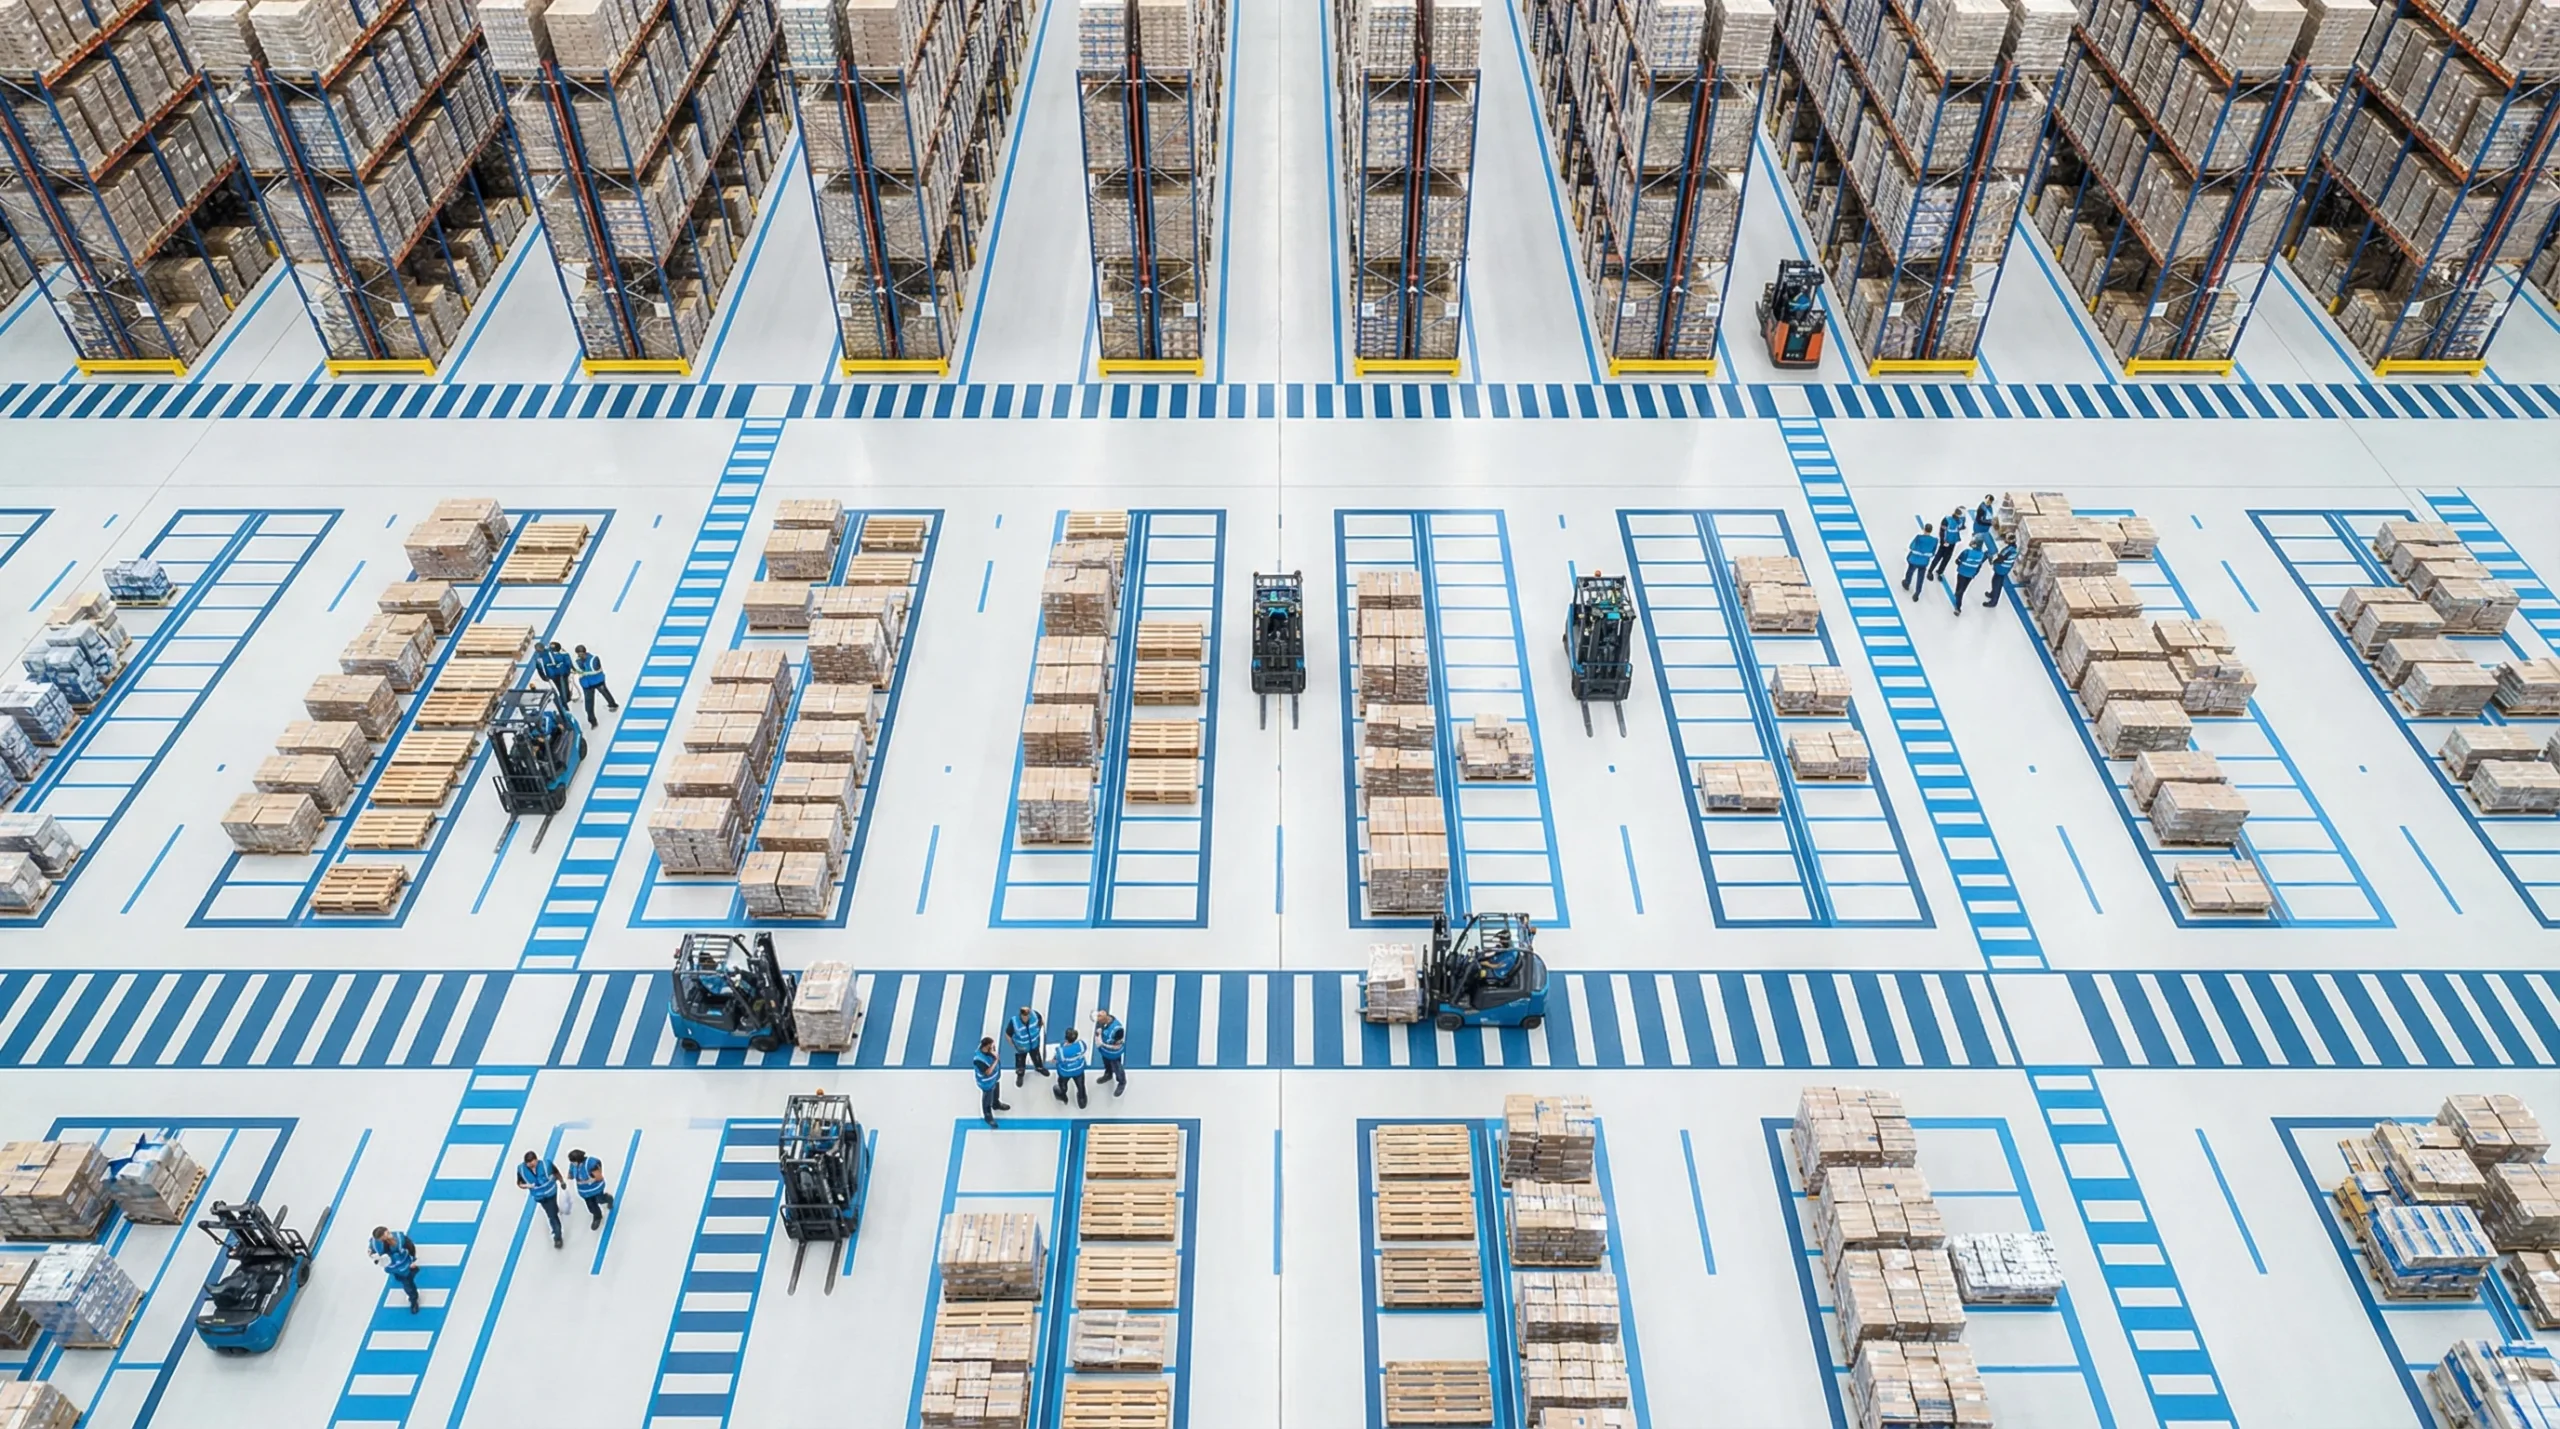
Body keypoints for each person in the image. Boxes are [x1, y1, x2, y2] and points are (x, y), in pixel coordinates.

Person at [517, 1150, 565, 1249]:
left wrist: (561, 1181)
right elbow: (519, 1183)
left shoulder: (546, 1165)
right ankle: (557, 1232)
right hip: (539, 1197)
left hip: (551, 1193)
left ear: (536, 1160)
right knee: (551, 1213)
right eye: (528, 1163)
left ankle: (558, 1235)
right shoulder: (521, 1170)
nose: (530, 1165)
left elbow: (556, 1172)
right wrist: (527, 1185)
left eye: (532, 1162)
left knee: (552, 1214)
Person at [368, 1225, 420, 1313]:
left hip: (404, 1265)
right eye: (386, 1234)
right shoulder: (374, 1243)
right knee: (400, 1278)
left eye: (388, 1232)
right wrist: (374, 1257)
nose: (390, 1234)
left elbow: (410, 1247)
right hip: (392, 1267)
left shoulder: (399, 1239)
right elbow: (372, 1252)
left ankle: (413, 1300)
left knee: (408, 1284)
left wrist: (412, 1260)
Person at [571, 645, 619, 727]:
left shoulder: (594, 659)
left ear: (585, 652)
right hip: (587, 685)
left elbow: (597, 669)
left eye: (581, 654)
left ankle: (613, 705)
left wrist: (584, 672)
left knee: (605, 693)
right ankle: (593, 722)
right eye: (578, 654)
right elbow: (578, 670)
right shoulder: (578, 661)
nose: (580, 656)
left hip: (598, 681)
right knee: (588, 704)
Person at [567, 1148, 614, 1230]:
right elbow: (571, 1174)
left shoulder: (590, 1164)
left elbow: (599, 1177)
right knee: (591, 1206)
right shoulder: (573, 1165)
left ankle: (608, 1199)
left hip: (596, 1188)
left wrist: (589, 1179)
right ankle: (597, 1216)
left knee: (600, 1200)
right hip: (584, 1191)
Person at [1004, 1005, 1047, 1085]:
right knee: (1020, 1063)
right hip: (1021, 1047)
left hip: (1034, 1044)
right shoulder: (1014, 1022)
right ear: (1021, 1015)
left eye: (1027, 1015)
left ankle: (1039, 1068)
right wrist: (1013, 1044)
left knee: (1037, 1058)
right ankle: (1020, 1075)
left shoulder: (1035, 1016)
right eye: (1024, 1016)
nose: (1026, 1018)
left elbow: (1041, 1022)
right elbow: (1008, 1034)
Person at [972, 1036, 1009, 1127]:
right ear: (985, 1047)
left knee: (996, 1091)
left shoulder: (990, 1052)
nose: (993, 1049)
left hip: (994, 1078)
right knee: (987, 1098)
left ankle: (996, 1103)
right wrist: (996, 1060)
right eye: (991, 1047)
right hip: (986, 1082)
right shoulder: (979, 1060)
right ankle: (987, 1115)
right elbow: (988, 1072)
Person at [1053, 1027, 1090, 1109]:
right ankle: (1082, 1100)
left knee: (1062, 1084)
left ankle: (1062, 1095)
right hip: (1078, 1069)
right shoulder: (1081, 1045)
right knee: (1081, 1085)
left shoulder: (1061, 1051)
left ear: (1066, 1038)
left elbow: (1058, 1060)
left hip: (1065, 1072)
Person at [1093, 1010, 1127, 1097]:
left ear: (1105, 1019)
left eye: (1099, 1019)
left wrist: (1103, 1043)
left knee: (1117, 1067)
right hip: (1104, 1051)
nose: (1098, 1021)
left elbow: (1117, 1044)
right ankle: (1108, 1074)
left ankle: (1122, 1082)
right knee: (1107, 1064)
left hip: (1113, 1053)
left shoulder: (1118, 1030)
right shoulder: (1101, 1023)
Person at [1951, 540, 1989, 614]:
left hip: (1962, 572)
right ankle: (1957, 594)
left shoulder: (1967, 552)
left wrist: (1960, 564)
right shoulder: (1982, 555)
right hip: (1971, 574)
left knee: (1960, 588)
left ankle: (1958, 608)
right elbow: (1979, 566)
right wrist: (1974, 574)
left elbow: (1957, 561)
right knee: (1963, 588)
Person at [534, 641, 574, 709]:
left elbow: (540, 668)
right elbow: (539, 668)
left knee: (562, 688)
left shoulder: (541, 657)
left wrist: (544, 677)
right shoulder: (543, 656)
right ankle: (566, 700)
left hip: (557, 674)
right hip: (558, 673)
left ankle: (565, 701)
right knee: (562, 688)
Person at [1903, 524, 1937, 599]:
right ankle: (1917, 593)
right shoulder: (1934, 540)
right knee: (1920, 577)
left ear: (1924, 529)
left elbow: (1911, 546)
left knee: (1910, 571)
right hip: (1924, 562)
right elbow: (1933, 553)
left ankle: (1907, 583)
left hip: (1914, 560)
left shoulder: (1918, 538)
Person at [1929, 511, 1964, 580]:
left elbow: (1960, 528)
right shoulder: (1947, 520)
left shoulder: (1960, 521)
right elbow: (1942, 531)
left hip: (1952, 543)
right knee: (1938, 557)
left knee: (1946, 559)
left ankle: (1940, 571)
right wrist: (1942, 541)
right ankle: (1930, 570)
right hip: (1945, 542)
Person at [1984, 542, 2020, 609]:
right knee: (1995, 581)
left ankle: (1993, 602)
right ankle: (1992, 594)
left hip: (2002, 569)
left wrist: (1993, 561)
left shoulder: (2010, 550)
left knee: (1997, 584)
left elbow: (2000, 559)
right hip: (2003, 569)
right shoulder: (2012, 548)